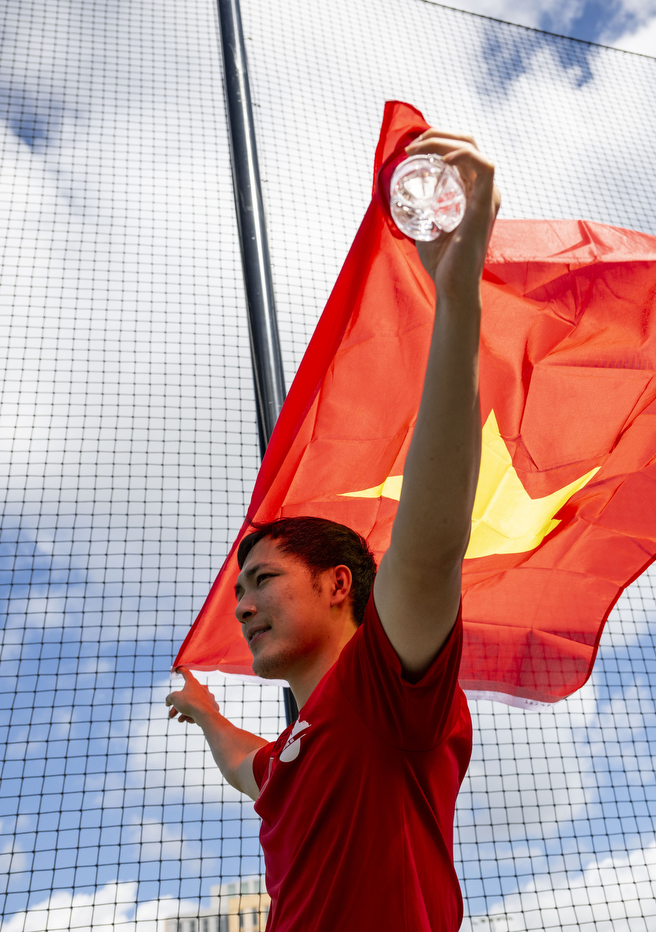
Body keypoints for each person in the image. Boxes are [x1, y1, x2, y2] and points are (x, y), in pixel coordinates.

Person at [164, 128, 499, 930]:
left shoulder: (387, 690)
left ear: (339, 583)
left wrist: (456, 297)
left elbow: (430, 541)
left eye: (262, 580)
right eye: (241, 589)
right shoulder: (293, 757)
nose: (240, 605)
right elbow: (247, 765)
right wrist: (208, 714)